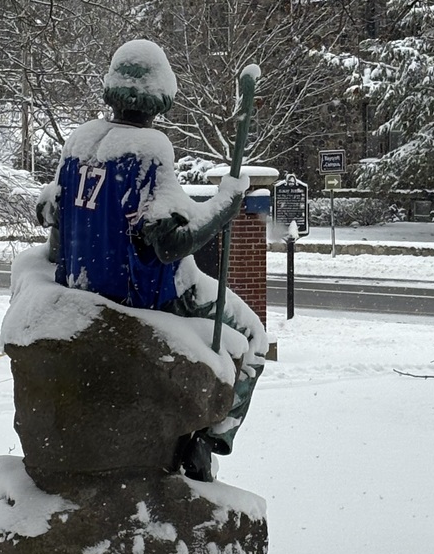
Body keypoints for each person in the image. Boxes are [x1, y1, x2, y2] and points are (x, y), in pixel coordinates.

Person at [37, 39, 266, 481]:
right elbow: (167, 245)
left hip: (84, 283)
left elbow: (53, 219)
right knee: (252, 338)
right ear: (161, 93)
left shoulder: (78, 141)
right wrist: (225, 205)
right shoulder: (149, 149)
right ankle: (210, 439)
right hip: (148, 291)